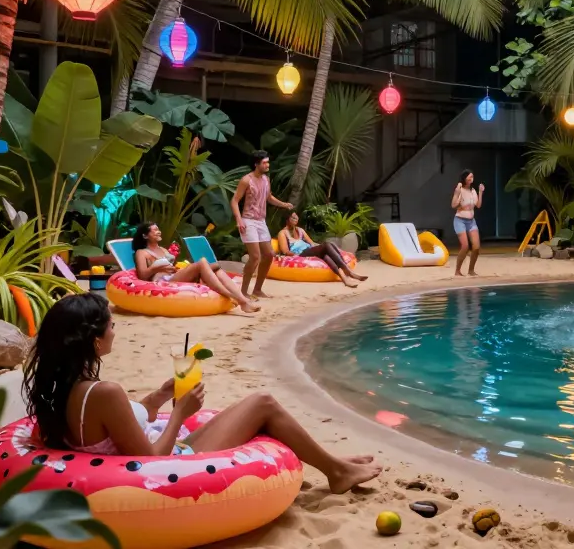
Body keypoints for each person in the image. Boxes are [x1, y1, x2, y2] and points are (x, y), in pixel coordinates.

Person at [22, 293, 381, 493]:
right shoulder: (104, 392)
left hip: (138, 453)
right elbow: (150, 462)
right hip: (168, 463)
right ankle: (336, 472)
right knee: (263, 403)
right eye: (112, 325)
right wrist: (181, 412)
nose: (117, 330)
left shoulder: (64, 386)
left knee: (255, 409)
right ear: (96, 340)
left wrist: (161, 396)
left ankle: (333, 460)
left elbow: (115, 425)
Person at [131, 223, 257, 313]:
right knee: (202, 262)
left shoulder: (163, 249)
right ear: (145, 236)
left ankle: (241, 299)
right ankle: (236, 298)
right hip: (162, 281)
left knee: (217, 268)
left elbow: (171, 267)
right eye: (154, 230)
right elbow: (142, 275)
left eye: (158, 229)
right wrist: (156, 269)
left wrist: (174, 268)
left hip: (174, 276)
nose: (159, 232)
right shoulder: (142, 252)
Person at [231, 150, 293, 299]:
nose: (267, 165)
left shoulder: (266, 179)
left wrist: (284, 204)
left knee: (270, 254)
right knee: (255, 257)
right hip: (248, 220)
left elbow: (269, 197)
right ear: (256, 164)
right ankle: (243, 292)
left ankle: (257, 290)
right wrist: (239, 220)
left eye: (268, 162)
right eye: (264, 162)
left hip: (261, 221)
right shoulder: (246, 180)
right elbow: (234, 201)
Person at [276, 212, 369, 288]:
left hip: (309, 250)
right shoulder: (283, 233)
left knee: (326, 254)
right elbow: (285, 251)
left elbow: (311, 243)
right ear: (287, 219)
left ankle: (344, 279)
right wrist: (296, 256)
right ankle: (348, 271)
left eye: (296, 217)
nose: (296, 219)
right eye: (293, 218)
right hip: (300, 254)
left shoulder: (300, 230)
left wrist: (320, 247)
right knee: (327, 245)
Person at [451, 170, 484, 277]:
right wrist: (457, 195)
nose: (471, 178)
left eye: (472, 177)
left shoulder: (473, 191)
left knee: (476, 247)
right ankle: (457, 271)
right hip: (460, 220)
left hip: (471, 221)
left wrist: (480, 192)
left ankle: (471, 270)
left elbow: (478, 205)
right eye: (469, 177)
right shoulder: (459, 190)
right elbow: (453, 205)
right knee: (465, 246)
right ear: (464, 178)